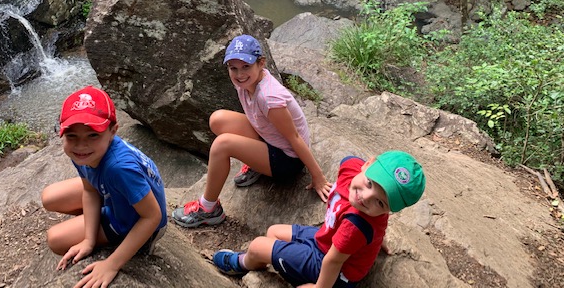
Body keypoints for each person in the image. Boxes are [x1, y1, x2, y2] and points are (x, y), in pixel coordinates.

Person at [172, 34, 332, 228]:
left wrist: (318, 177)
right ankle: (256, 163)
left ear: (261, 63)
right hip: (269, 139)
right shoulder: (247, 82)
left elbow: (295, 137)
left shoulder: (269, 97)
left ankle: (208, 209)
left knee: (222, 145)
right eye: (233, 68)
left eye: (246, 67)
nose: (239, 74)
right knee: (217, 120)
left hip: (287, 160)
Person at [212, 150, 426, 288]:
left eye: (380, 203)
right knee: (274, 232)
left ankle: (241, 263)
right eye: (370, 184)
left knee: (259, 246)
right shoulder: (351, 166)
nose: (365, 197)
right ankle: (284, 265)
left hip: (336, 270)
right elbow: (348, 164)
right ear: (367, 164)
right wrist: (378, 238)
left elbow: (334, 260)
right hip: (324, 238)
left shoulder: (356, 225)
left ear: (389, 210)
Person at [41, 86, 167, 288]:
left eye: (92, 135)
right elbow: (90, 190)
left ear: (113, 131)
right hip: (117, 194)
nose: (81, 145)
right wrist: (89, 240)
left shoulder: (118, 168)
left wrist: (112, 263)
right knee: (49, 196)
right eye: (72, 136)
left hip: (135, 220)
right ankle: (96, 224)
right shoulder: (84, 154)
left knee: (55, 239)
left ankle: (120, 233)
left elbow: (153, 216)